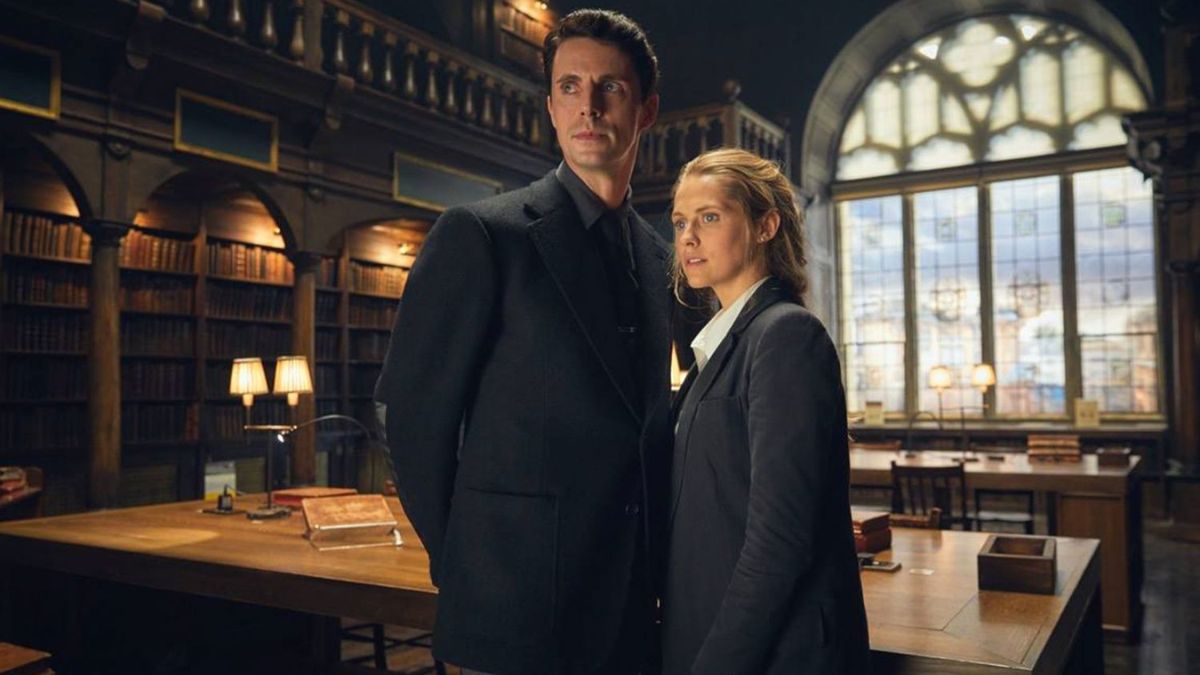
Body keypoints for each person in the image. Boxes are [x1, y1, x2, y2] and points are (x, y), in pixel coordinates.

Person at [374, 9, 672, 675]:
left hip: (628, 612)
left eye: (610, 88)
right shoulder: (482, 235)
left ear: (646, 110)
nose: (587, 106)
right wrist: (468, 567)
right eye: (569, 86)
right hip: (510, 614)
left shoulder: (659, 258)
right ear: (549, 106)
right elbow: (410, 417)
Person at [662, 148, 870, 674]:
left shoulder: (785, 335)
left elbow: (780, 540)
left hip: (775, 654)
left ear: (765, 225)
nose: (688, 237)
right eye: (681, 221)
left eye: (710, 217)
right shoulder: (725, 344)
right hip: (712, 631)